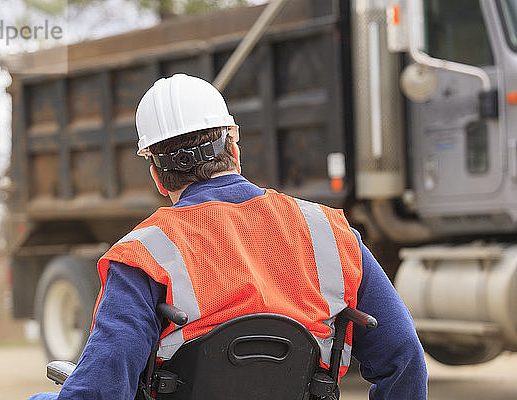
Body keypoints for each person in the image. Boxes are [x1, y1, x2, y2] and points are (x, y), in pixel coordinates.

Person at [29, 74, 427, 400]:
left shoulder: (144, 253)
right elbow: (404, 354)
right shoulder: (331, 233)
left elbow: (101, 388)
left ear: (156, 174)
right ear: (234, 147)